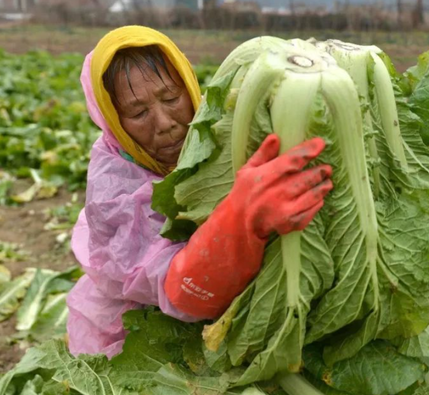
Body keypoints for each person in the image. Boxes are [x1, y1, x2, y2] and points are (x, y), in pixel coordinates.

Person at [66, 26, 333, 357]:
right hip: (143, 332)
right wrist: (241, 218)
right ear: (113, 121)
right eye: (138, 113)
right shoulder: (111, 189)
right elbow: (180, 290)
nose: (164, 122)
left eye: (171, 98)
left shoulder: (221, 123)